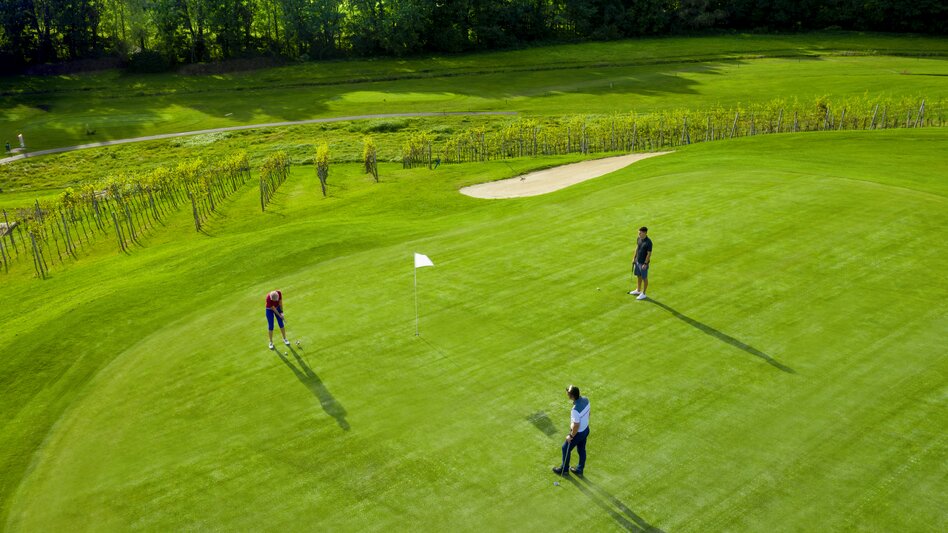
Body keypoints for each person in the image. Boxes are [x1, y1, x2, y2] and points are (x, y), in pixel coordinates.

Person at [552, 385, 590, 476]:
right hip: (586, 430)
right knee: (582, 450)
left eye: (568, 393)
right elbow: (589, 414)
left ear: (572, 396)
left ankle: (564, 470)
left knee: (565, 448)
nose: (567, 394)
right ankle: (580, 470)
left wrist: (571, 436)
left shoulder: (575, 410)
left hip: (578, 433)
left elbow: (576, 425)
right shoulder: (586, 399)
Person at [629, 226, 652, 300]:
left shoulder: (648, 242)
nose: (639, 234)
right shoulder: (639, 238)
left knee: (644, 278)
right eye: (638, 233)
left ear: (645, 233)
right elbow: (637, 248)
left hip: (643, 264)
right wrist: (634, 258)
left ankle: (643, 293)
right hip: (637, 261)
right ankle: (638, 290)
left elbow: (649, 254)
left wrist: (645, 264)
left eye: (640, 233)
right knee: (638, 276)